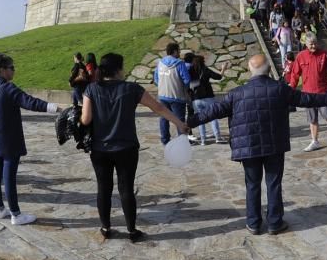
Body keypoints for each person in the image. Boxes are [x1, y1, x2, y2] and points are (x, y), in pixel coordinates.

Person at [189, 54, 327, 234]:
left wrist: (188, 123)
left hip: (248, 146)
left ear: (249, 70)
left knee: (252, 184)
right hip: (275, 145)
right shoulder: (280, 89)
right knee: (273, 183)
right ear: (268, 70)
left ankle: (253, 223)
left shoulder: (236, 93)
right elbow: (307, 99)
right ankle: (275, 223)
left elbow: (213, 111)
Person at [81, 52, 187, 242]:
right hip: (126, 147)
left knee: (103, 189)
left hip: (100, 149)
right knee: (126, 189)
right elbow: (159, 108)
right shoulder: (132, 89)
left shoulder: (91, 89)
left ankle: (105, 227)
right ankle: (132, 230)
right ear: (118, 69)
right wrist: (179, 123)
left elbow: (86, 119)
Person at [0, 53, 58, 225]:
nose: (14, 70)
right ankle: (16, 215)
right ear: (2, 70)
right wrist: (54, 107)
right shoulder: (9, 88)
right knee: (9, 177)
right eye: (11, 67)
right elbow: (30, 102)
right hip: (9, 139)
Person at [286, 36, 327, 151]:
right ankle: (314, 141)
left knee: (326, 114)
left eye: (315, 43)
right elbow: (295, 74)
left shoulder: (325, 55)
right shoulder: (301, 56)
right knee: (312, 118)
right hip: (307, 93)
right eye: (311, 44)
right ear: (306, 44)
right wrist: (291, 87)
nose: (314, 46)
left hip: (322, 92)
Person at [153, 43, 191, 144]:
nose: (180, 52)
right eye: (179, 50)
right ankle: (182, 141)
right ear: (174, 51)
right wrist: (184, 89)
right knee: (180, 120)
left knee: (164, 118)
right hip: (177, 96)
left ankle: (165, 140)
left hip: (162, 96)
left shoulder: (160, 63)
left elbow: (156, 79)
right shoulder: (179, 63)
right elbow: (187, 80)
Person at [188, 55, 228, 145]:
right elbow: (219, 77)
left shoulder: (190, 71)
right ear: (203, 62)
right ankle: (217, 137)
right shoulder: (205, 69)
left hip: (196, 99)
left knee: (200, 119)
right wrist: (223, 69)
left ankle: (203, 140)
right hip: (208, 97)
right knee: (213, 116)